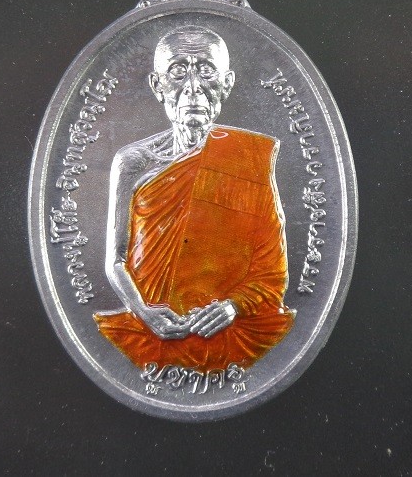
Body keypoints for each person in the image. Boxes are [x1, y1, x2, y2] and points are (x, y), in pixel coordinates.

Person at [94, 26, 294, 372]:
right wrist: (143, 312)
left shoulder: (249, 158)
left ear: (226, 84)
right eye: (177, 72)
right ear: (157, 85)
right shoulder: (133, 162)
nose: (192, 87)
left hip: (229, 334)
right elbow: (115, 260)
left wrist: (232, 307)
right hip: (147, 330)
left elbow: (272, 273)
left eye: (206, 71)